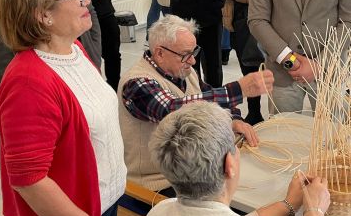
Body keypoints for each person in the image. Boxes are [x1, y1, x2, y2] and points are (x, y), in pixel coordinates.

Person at [0, 0, 126, 216]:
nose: (86, 2)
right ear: (43, 14)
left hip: (104, 203)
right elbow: (29, 180)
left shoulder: (74, 50)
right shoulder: (28, 82)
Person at [117, 15, 273, 194]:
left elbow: (207, 96)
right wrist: (239, 90)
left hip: (189, 172)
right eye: (185, 55)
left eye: (193, 52)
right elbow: (172, 110)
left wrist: (234, 120)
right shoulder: (136, 83)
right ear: (159, 53)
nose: (192, 61)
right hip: (157, 182)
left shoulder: (185, 70)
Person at [142, 101, 330, 216]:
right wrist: (314, 210)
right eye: (236, 144)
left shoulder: (159, 213)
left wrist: (288, 203)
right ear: (229, 164)